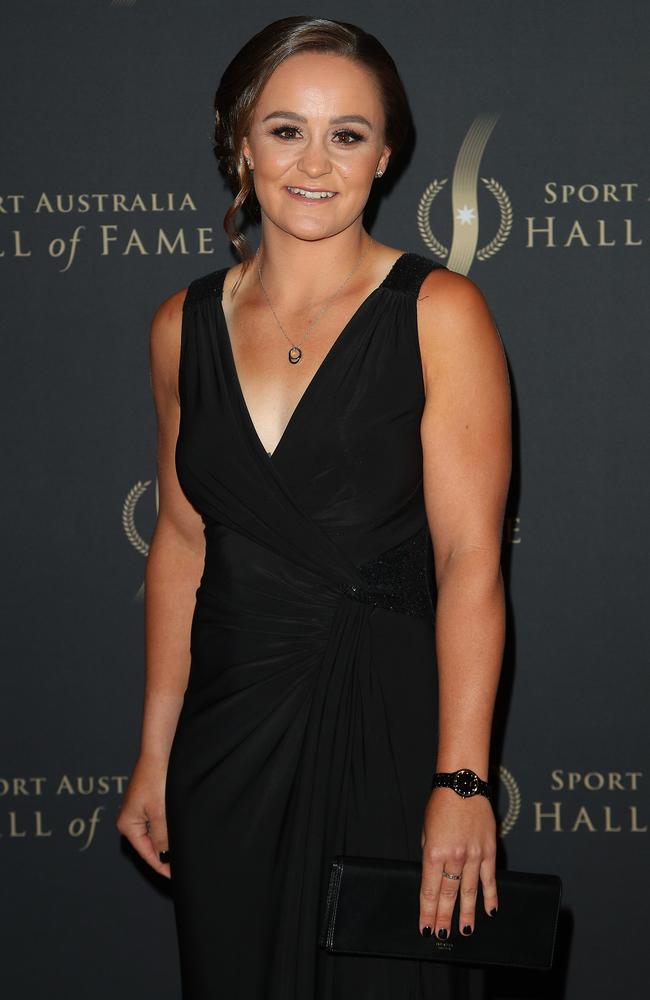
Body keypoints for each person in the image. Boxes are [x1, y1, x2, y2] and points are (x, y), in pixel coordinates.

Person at [116, 14, 511, 1000]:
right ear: (241, 142)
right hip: (227, 740)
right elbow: (180, 539)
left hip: (385, 721)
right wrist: (155, 750)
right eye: (285, 127)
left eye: (346, 134)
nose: (314, 160)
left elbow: (468, 558)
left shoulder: (438, 313)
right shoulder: (181, 326)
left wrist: (460, 780)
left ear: (383, 156)